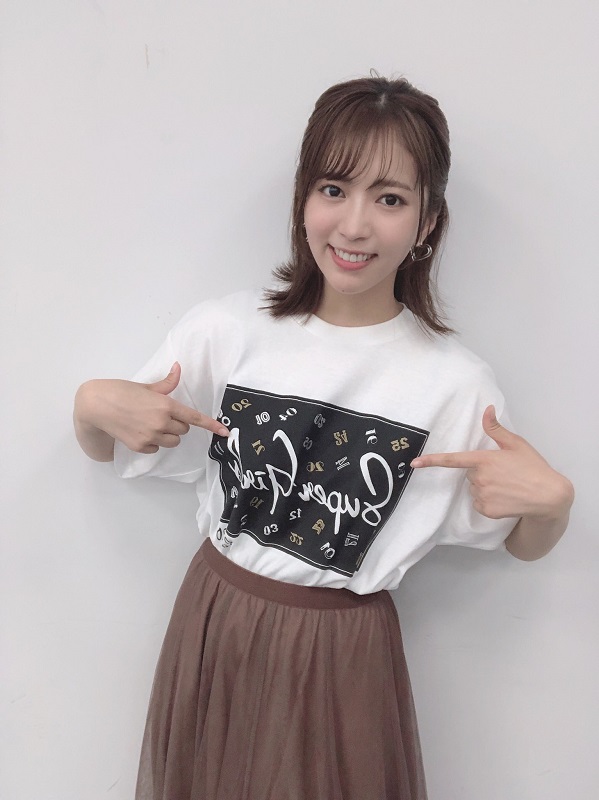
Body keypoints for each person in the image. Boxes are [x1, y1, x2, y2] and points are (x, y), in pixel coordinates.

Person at [73, 74, 574, 800]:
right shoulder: (226, 330)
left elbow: (517, 543)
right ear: (303, 199)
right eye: (333, 189)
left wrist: (551, 507)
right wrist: (90, 409)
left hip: (342, 652)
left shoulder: (454, 384)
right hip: (215, 618)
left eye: (390, 199)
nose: (354, 226)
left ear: (427, 223)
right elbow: (114, 446)